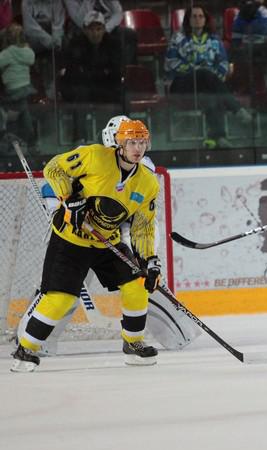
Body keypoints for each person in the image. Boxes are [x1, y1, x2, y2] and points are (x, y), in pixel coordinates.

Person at [14, 115, 201, 356]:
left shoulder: (147, 179)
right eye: (131, 142)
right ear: (118, 143)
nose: (138, 148)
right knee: (62, 297)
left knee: (138, 285)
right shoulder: (94, 157)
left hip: (110, 239)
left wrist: (149, 260)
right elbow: (54, 172)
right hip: (73, 240)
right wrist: (67, 201)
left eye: (142, 142)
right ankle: (30, 345)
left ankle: (136, 341)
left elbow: (143, 226)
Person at [165, 5, 252, 150]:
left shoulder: (214, 40)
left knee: (211, 95)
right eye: (194, 16)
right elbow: (171, 64)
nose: (198, 19)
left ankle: (216, 138)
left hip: (208, 86)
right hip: (183, 84)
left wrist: (210, 75)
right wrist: (196, 70)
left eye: (201, 16)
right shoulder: (178, 38)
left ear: (205, 20)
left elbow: (223, 63)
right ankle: (236, 108)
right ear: (188, 19)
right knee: (204, 73)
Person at [60, 11, 123, 144]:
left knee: (123, 94)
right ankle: (80, 139)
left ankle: (120, 137)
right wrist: (101, 72)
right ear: (84, 30)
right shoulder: (75, 44)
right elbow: (73, 72)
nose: (95, 33)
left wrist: (93, 73)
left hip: (106, 87)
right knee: (79, 95)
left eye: (99, 29)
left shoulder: (113, 43)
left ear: (104, 29)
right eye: (91, 29)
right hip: (84, 87)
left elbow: (117, 71)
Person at [0, 22, 37, 151]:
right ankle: (30, 140)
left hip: (13, 90)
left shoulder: (8, 53)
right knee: (23, 112)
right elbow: (32, 59)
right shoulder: (28, 51)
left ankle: (12, 140)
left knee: (13, 116)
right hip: (25, 88)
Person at [64, 0, 137, 64]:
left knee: (129, 34)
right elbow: (80, 20)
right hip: (85, 27)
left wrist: (105, 29)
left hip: (106, 25)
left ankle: (126, 71)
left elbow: (118, 12)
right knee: (77, 38)